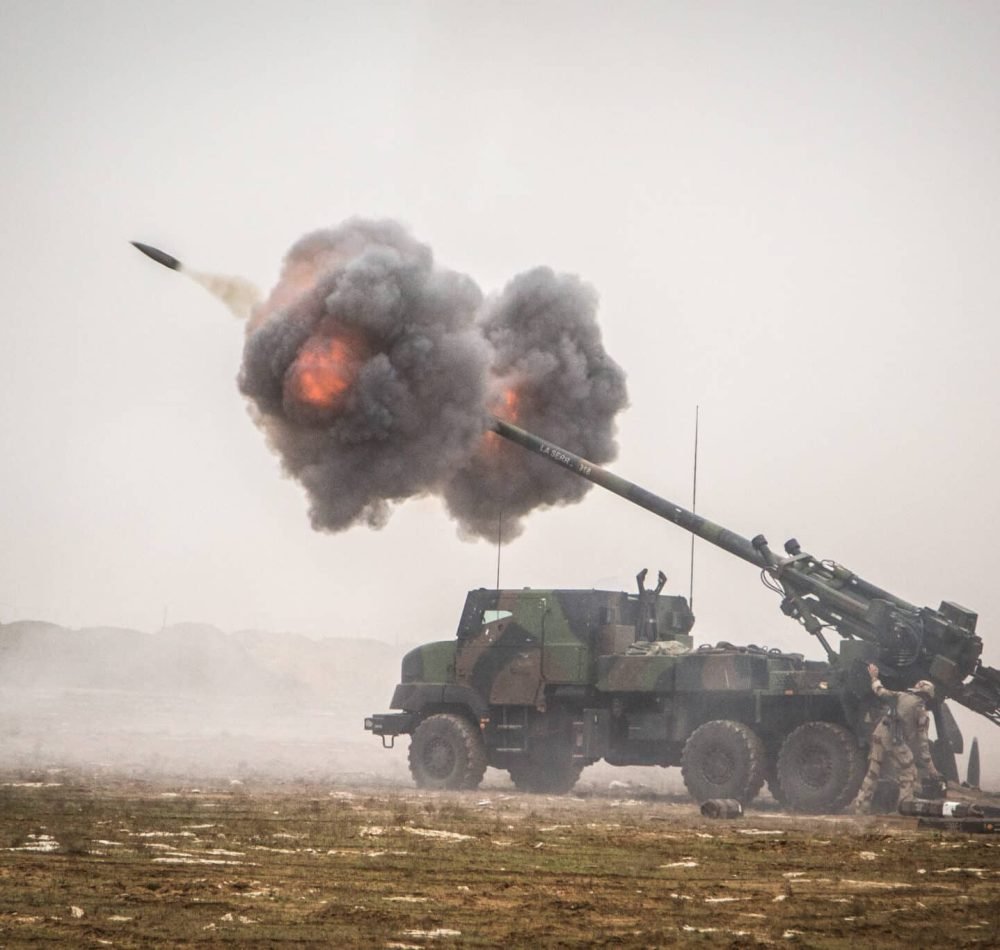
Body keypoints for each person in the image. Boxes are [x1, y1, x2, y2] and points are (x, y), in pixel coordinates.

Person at [851, 663, 943, 814]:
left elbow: (879, 690)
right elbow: (923, 744)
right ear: (928, 696)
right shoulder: (921, 711)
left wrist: (874, 677)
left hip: (879, 735)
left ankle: (861, 807)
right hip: (895, 740)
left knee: (873, 773)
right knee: (909, 772)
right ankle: (903, 808)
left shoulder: (900, 696)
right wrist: (932, 769)